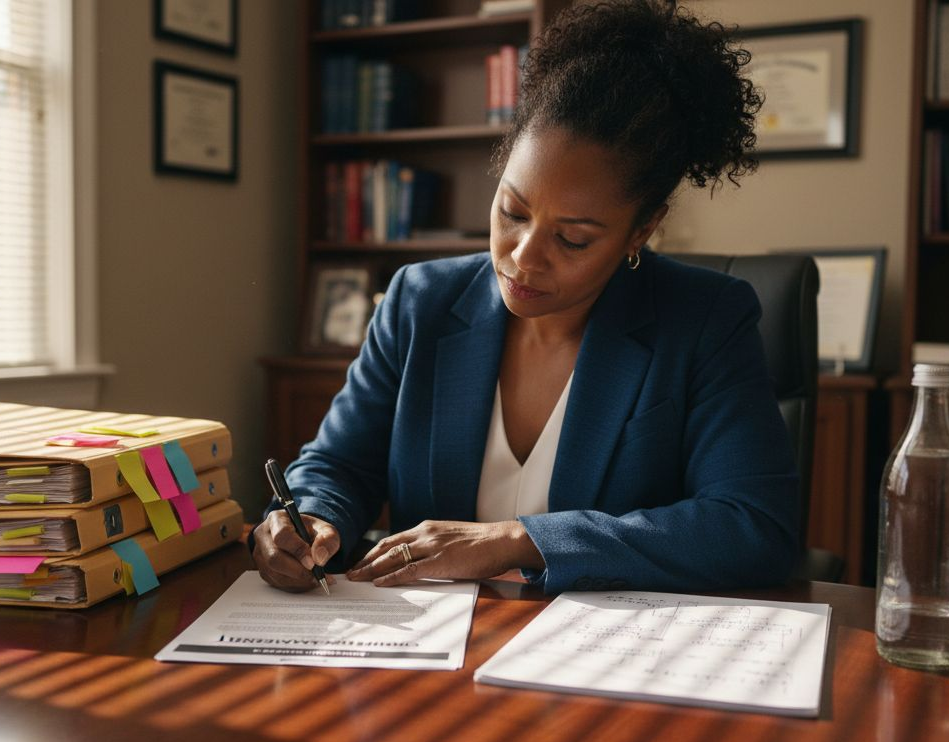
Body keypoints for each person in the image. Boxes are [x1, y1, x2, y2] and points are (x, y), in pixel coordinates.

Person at [254, 0, 798, 594]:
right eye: (513, 211)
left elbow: (753, 526)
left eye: (573, 238)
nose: (523, 256)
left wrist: (519, 539)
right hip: (428, 640)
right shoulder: (419, 302)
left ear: (640, 230)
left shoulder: (705, 320)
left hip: (597, 644)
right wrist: (310, 518)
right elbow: (337, 464)